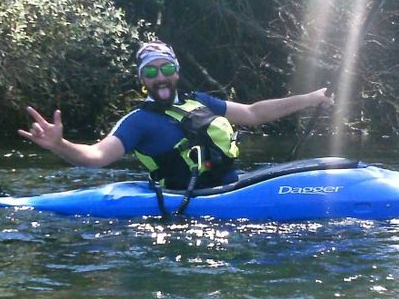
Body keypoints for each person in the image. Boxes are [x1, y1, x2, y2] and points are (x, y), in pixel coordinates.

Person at [18, 40, 334, 190]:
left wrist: (309, 99)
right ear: (142, 80)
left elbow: (253, 113)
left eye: (166, 68)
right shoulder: (138, 122)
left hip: (232, 190)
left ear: (176, 72)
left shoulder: (200, 102)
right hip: (186, 208)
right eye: (151, 72)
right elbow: (97, 155)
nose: (160, 77)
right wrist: (59, 145)